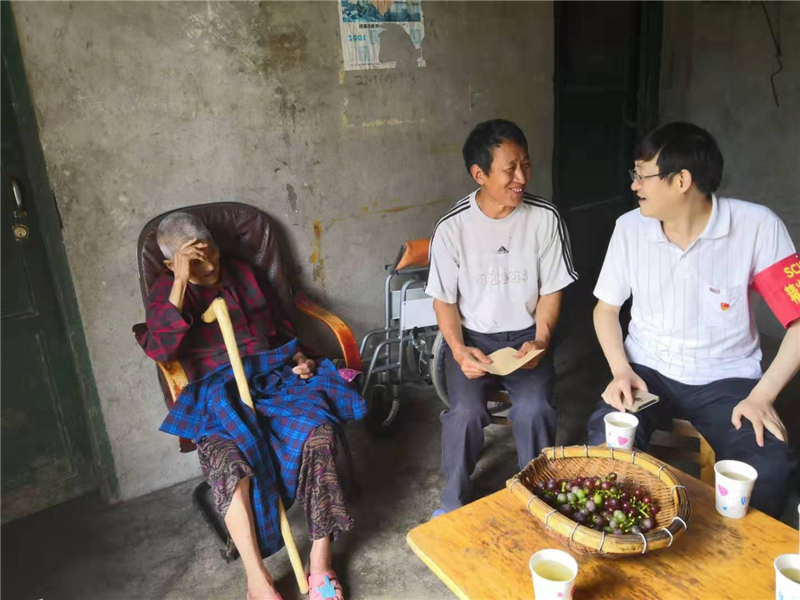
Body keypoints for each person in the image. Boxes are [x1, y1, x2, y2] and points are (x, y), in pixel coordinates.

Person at [136, 212, 365, 600]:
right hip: (217, 395)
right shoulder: (167, 291)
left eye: (211, 251)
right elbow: (161, 348)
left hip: (273, 378)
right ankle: (257, 578)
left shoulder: (243, 273)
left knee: (318, 433)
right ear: (172, 264)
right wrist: (180, 282)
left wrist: (299, 358)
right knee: (229, 462)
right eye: (196, 261)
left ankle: (320, 562)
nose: (211, 267)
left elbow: (283, 330)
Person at [586, 122, 799, 518]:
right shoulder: (630, 229)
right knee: (608, 443)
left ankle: (735, 553)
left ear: (681, 180)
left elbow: (798, 322)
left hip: (727, 380)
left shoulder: (756, 227)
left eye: (642, 175)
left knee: (769, 467)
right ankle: (632, 538)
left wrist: (763, 395)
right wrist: (620, 371)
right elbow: (606, 309)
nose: (634, 185)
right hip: (646, 371)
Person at [425, 119, 578, 516]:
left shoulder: (545, 218)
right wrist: (458, 350)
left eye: (525, 164)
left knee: (534, 410)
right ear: (479, 174)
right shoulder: (453, 227)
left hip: (527, 338)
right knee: (465, 414)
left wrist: (541, 340)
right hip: (474, 339)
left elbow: (552, 290)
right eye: (510, 169)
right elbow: (444, 301)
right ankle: (453, 503)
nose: (522, 178)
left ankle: (539, 499)